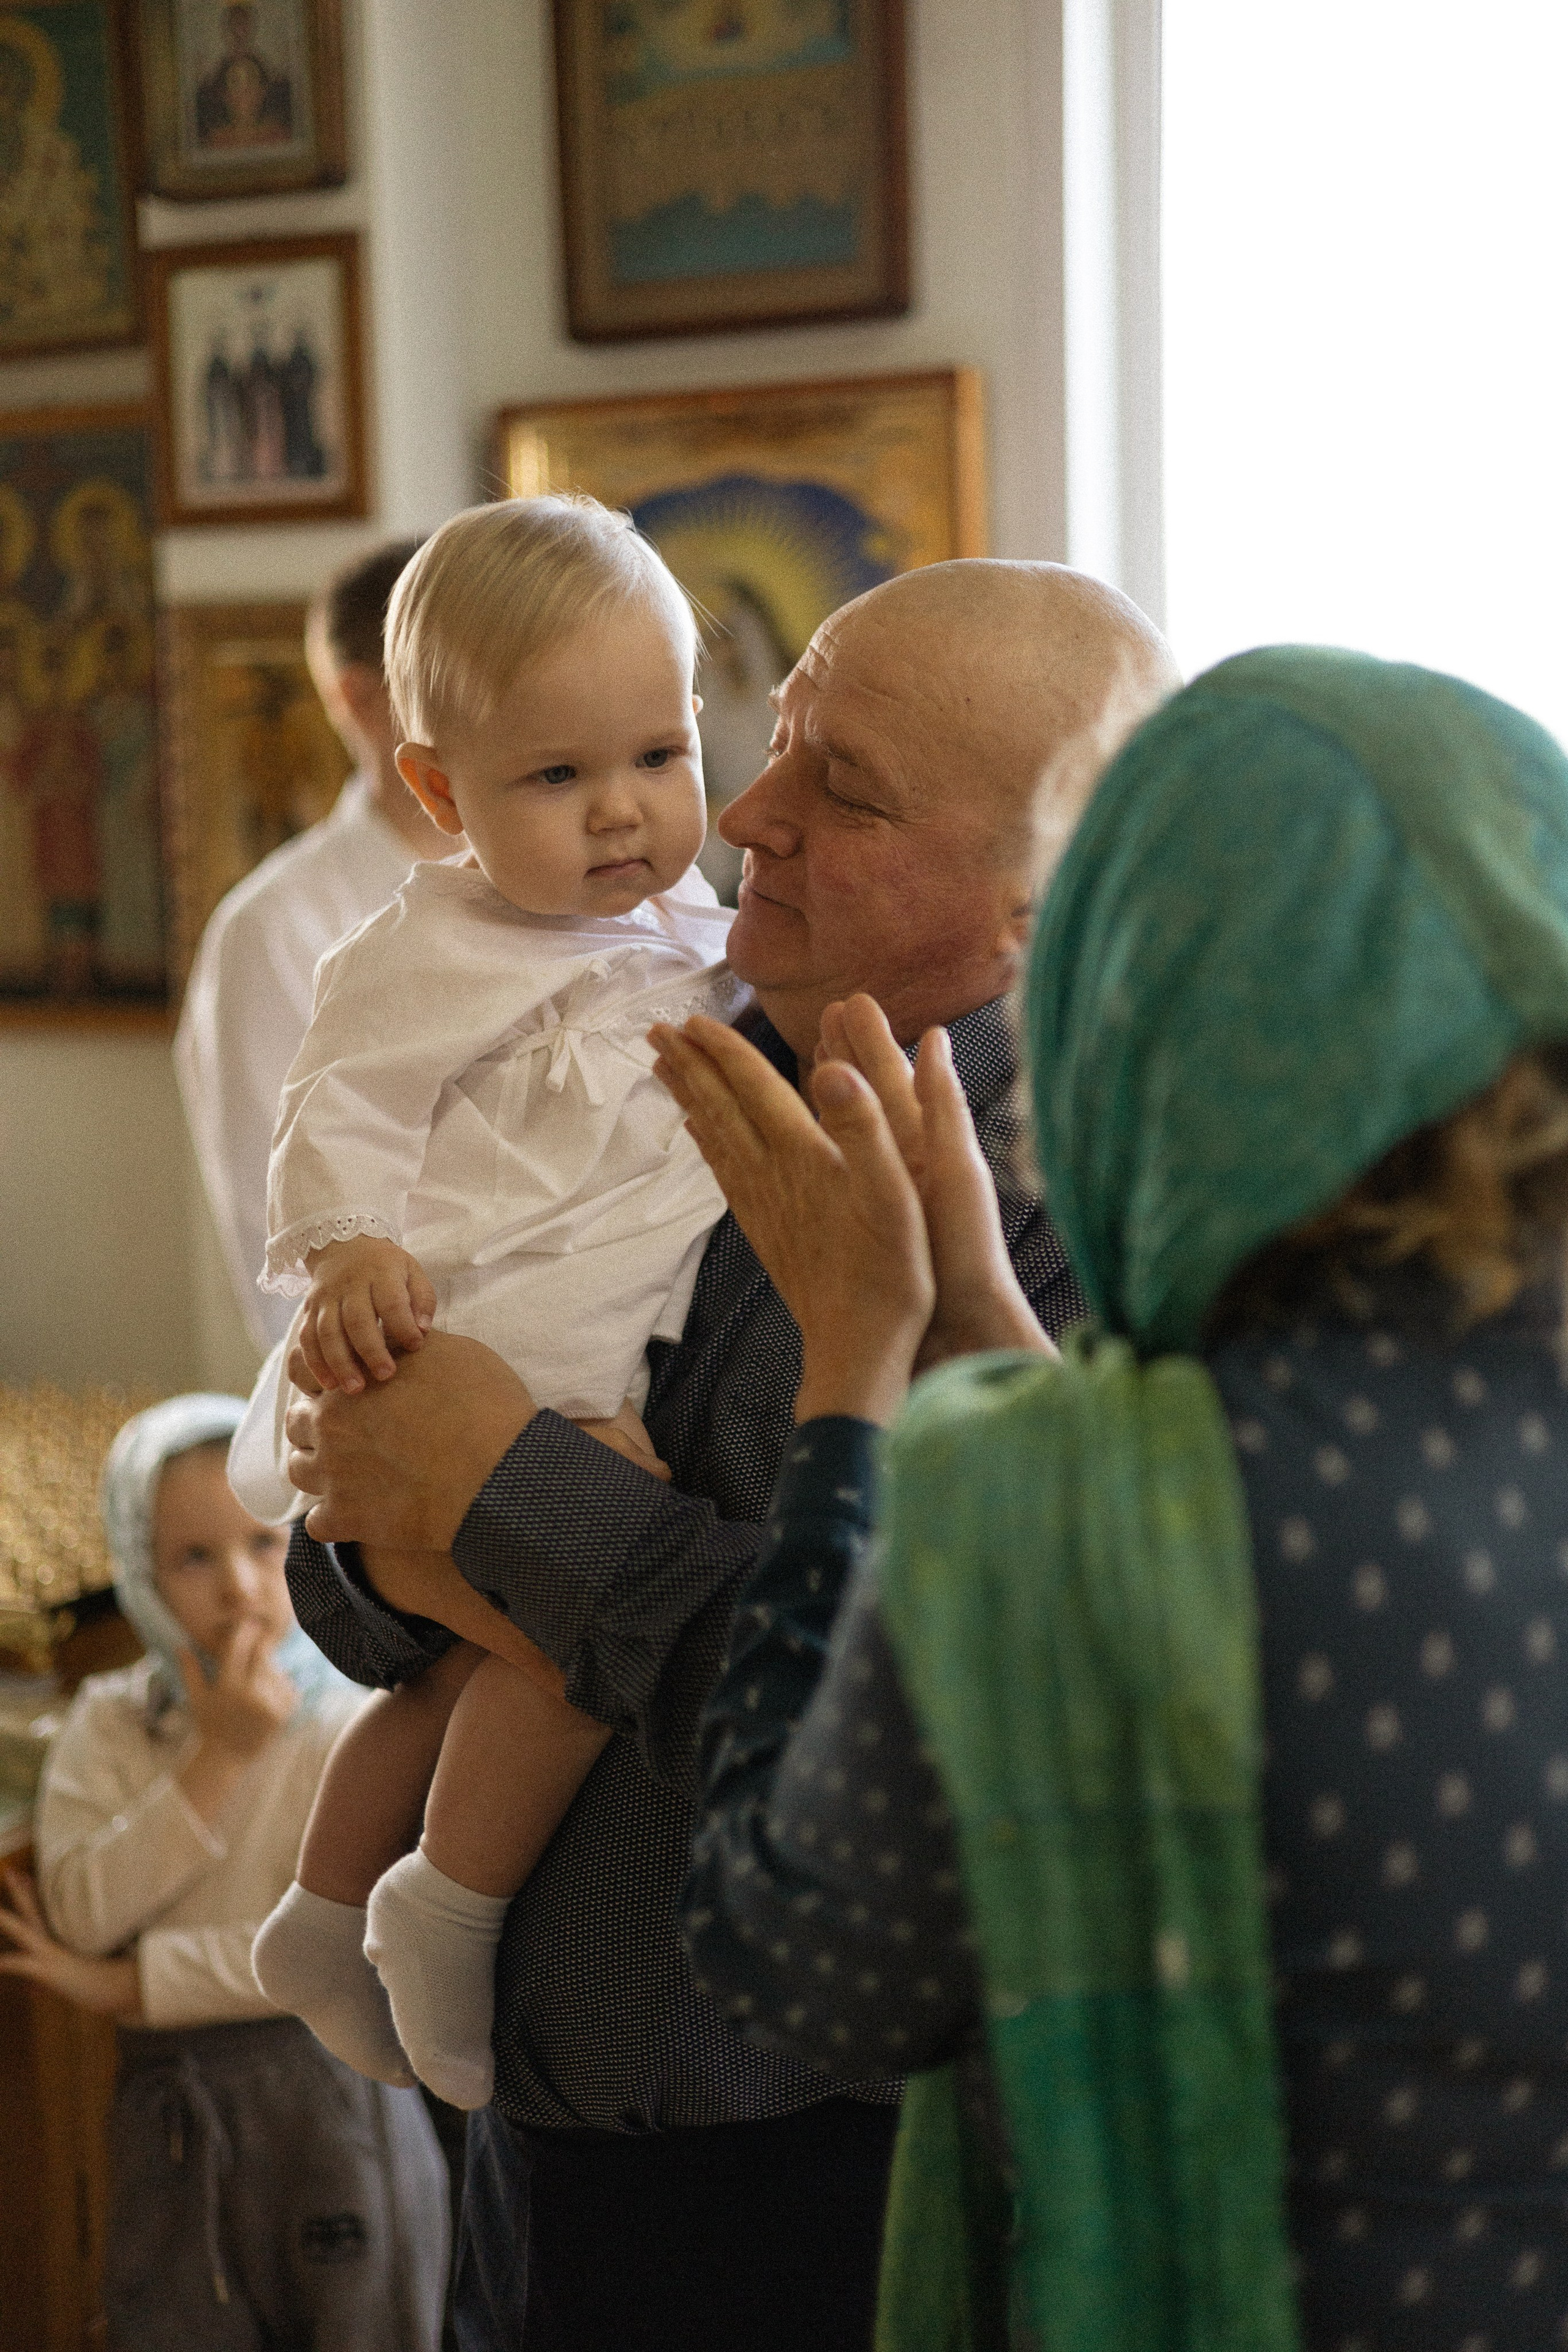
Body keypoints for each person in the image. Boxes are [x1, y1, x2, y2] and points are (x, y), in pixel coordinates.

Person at [278, 559, 1177, 2350]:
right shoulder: (632, 1036)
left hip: (823, 2162)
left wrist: (504, 1490)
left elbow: (914, 1744)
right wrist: (390, 1488)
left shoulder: (1099, 1224)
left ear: (1036, 891)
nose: (742, 812)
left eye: (841, 788)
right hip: (530, 2115)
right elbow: (349, 1550)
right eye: (770, 743)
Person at [665, 647, 1568, 2351]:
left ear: (1138, 1019)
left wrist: (860, 1381)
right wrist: (989, 1363)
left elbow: (803, 1967)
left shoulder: (1071, 1499)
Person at [246, 494, 737, 2114]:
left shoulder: (693, 928)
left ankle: (325, 1912)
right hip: (492, 1332)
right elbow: (342, 1112)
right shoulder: (425, 949)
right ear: (441, 791)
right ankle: (442, 1911)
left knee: (462, 1672)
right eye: (556, 777)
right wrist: (346, 1253)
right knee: (568, 1607)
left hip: (592, 1321)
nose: (624, 814)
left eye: (660, 758)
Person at [0, 1395, 448, 2352]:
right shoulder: (114, 1723)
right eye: (193, 1558)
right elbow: (80, 1913)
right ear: (139, 1572)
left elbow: (345, 1953)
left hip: (336, 2091)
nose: (241, 1589)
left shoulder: (353, 1716)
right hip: (168, 2109)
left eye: (260, 1543)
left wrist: (134, 1984)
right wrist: (217, 1757)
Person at [176, 540, 452, 1352]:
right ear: (359, 700)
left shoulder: (552, 882)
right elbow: (282, 1233)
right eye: (454, 676)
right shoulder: (275, 928)